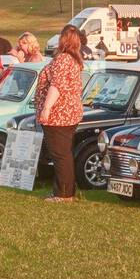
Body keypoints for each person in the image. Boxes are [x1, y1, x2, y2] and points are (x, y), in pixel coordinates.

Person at [35, 23, 86, 202]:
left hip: (59, 115)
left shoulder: (64, 59)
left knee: (60, 155)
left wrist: (46, 109)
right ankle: (65, 190)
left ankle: (64, 194)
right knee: (64, 154)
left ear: (63, 39)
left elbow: (56, 86)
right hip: (69, 113)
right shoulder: (74, 59)